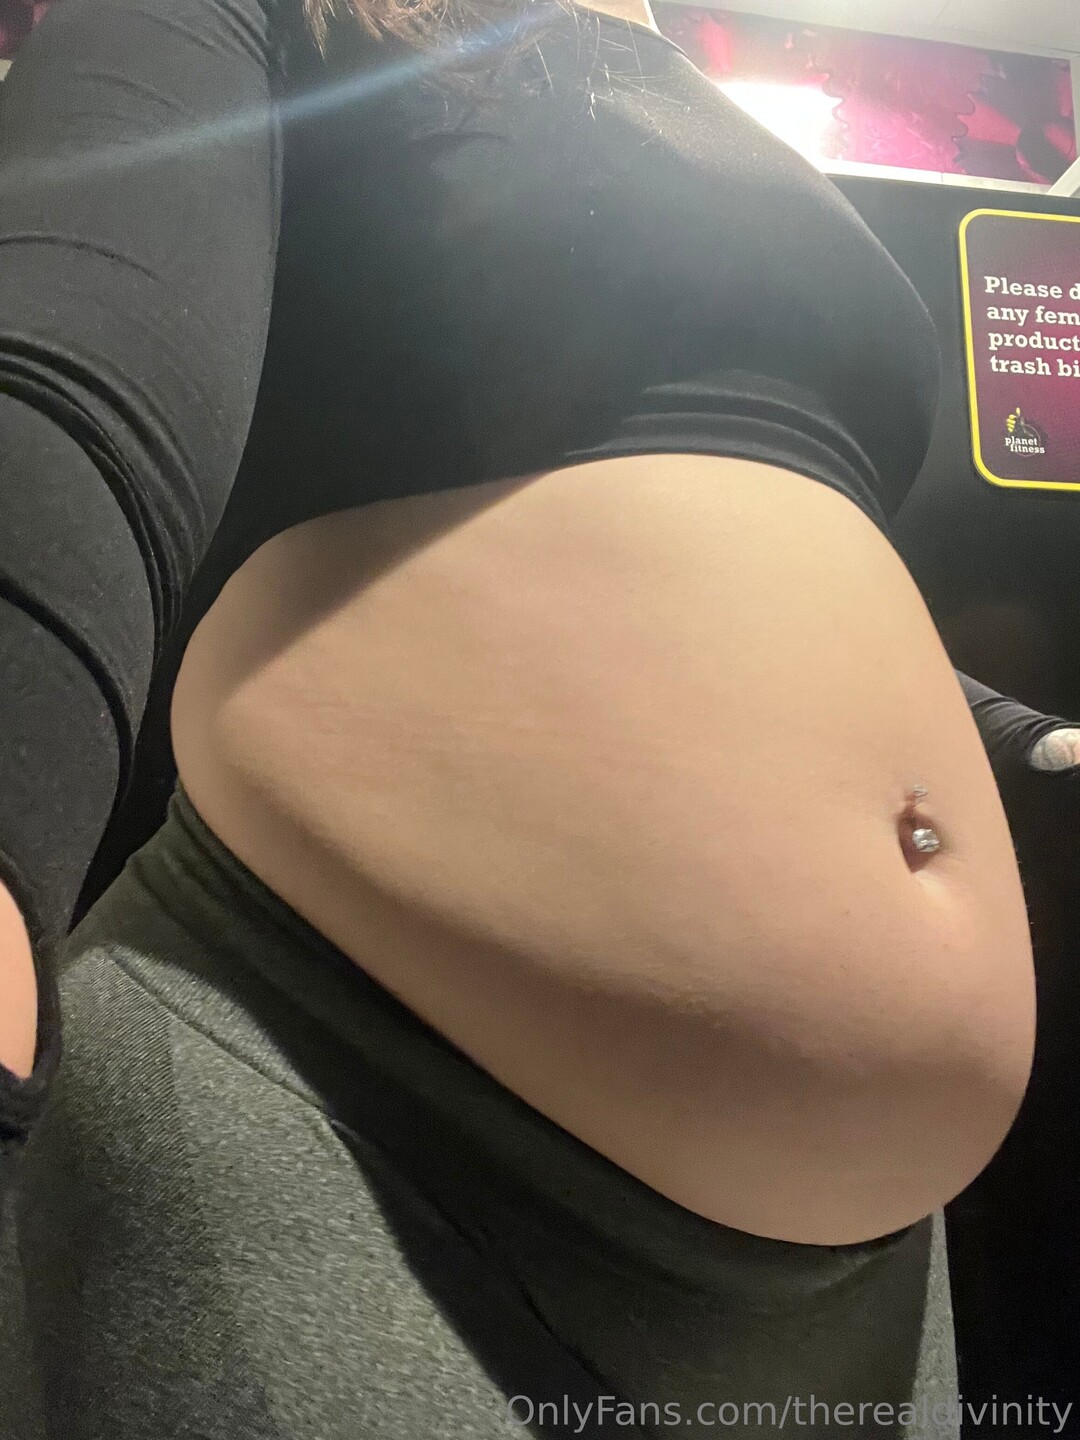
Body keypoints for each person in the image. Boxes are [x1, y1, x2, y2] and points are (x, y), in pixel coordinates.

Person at [0, 0, 1072, 1433]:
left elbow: (749, 569)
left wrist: (1021, 743)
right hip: (351, 1108)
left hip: (871, 1276)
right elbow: (73, 392)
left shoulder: (696, 90)